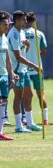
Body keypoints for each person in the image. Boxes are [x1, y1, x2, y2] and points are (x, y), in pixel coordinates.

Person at [7, 10, 42, 133]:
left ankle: (30, 123)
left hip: (24, 69)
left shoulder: (21, 32)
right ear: (17, 20)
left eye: (26, 19)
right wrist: (35, 66)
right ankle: (18, 126)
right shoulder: (14, 34)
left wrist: (27, 45)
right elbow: (18, 57)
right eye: (23, 19)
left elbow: (23, 50)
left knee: (29, 95)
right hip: (17, 70)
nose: (26, 21)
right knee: (18, 97)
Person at [25, 12, 49, 125]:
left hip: (24, 68)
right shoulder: (39, 33)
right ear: (34, 21)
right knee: (41, 94)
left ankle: (25, 119)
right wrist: (36, 53)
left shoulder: (21, 33)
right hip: (38, 68)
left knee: (25, 95)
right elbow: (44, 51)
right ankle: (45, 119)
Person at [0, 12, 19, 140]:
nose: (7, 26)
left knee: (3, 102)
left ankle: (0, 132)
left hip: (4, 76)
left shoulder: (5, 38)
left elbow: (7, 58)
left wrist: (11, 73)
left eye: (8, 24)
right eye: (5, 24)